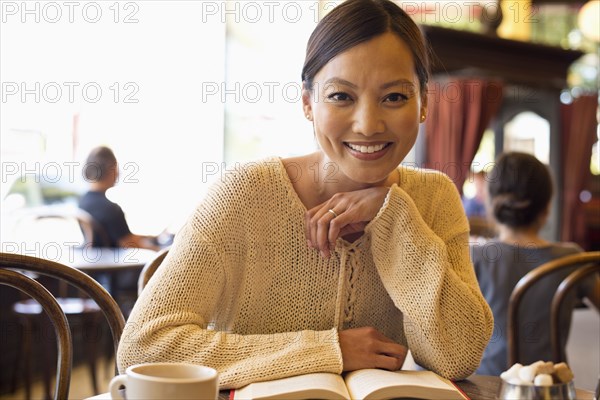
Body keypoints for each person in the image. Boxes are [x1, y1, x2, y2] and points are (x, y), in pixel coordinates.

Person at [118, 0, 493, 389]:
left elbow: (457, 355)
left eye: (394, 97)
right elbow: (144, 349)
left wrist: (394, 217)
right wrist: (327, 351)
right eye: (341, 96)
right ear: (307, 103)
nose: (367, 124)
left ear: (424, 104)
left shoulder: (433, 198)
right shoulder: (245, 194)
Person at [472, 151, 600, 376]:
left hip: (486, 388)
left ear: (492, 204)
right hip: (549, 386)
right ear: (547, 207)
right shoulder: (572, 258)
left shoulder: (476, 257)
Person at [79, 146, 159, 250]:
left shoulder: (83, 202)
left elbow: (121, 234)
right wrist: (159, 250)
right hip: (113, 264)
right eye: (116, 168)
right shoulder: (111, 209)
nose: (118, 173)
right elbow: (129, 243)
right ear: (108, 169)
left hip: (94, 261)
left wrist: (148, 237)